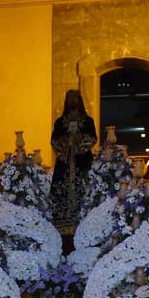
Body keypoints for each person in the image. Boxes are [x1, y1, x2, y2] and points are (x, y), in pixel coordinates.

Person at [50, 89, 97, 233]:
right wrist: (64, 142)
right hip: (64, 164)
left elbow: (93, 138)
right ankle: (62, 226)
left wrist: (79, 140)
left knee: (85, 190)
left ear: (79, 101)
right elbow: (53, 141)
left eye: (75, 99)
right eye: (70, 99)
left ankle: (86, 224)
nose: (72, 102)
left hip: (83, 162)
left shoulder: (88, 121)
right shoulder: (60, 122)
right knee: (60, 191)